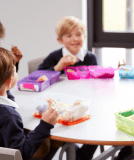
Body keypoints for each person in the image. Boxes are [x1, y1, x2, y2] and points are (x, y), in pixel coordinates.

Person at [0, 47, 59, 160]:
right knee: (48, 144)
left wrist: (5, 87)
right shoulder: (9, 117)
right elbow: (22, 153)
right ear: (9, 81)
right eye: (15, 71)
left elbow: (2, 95)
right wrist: (45, 124)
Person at [37, 16, 98, 160]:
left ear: (84, 36)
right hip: (62, 104)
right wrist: (58, 67)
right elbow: (39, 76)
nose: (74, 39)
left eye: (78, 34)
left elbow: (96, 82)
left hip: (84, 102)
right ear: (60, 40)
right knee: (63, 130)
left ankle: (83, 156)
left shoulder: (90, 58)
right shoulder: (55, 56)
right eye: (69, 35)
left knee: (95, 126)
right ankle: (75, 152)